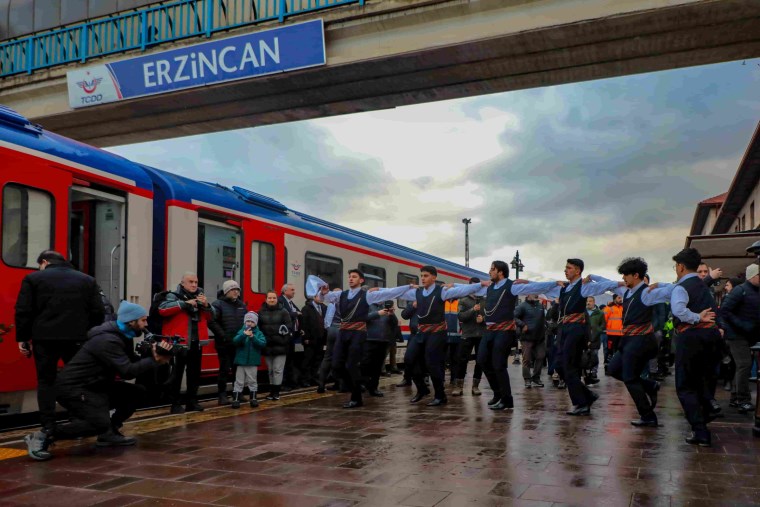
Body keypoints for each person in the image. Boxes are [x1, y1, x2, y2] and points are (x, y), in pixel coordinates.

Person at [23, 302, 172, 461]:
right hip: (74, 388)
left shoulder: (122, 336)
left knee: (137, 392)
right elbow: (127, 371)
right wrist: (155, 360)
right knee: (98, 424)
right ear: (131, 321)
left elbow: (130, 362)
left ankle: (109, 433)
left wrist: (151, 355)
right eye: (143, 320)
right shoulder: (107, 340)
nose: (146, 325)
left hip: (96, 385)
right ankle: (43, 435)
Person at [14, 250, 105, 435]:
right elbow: (98, 312)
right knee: (76, 380)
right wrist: (86, 333)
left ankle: (48, 425)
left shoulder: (33, 279)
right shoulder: (87, 280)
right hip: (77, 340)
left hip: (44, 339)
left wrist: (23, 339)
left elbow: (23, 311)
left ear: (44, 262)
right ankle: (77, 417)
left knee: (46, 381)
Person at [643, 248, 719, 446]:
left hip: (691, 336)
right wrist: (660, 285)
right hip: (710, 336)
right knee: (703, 377)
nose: (676, 269)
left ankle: (700, 430)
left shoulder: (681, 288)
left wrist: (695, 317)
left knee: (685, 385)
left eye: (676, 266)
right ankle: (710, 405)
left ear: (681, 267)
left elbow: (678, 309)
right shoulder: (702, 285)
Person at [513, 259, 607, 415]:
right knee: (558, 364)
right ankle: (587, 395)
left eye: (569, 268)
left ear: (578, 271)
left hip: (576, 329)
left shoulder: (583, 287)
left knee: (569, 365)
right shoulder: (564, 288)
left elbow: (604, 286)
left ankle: (582, 403)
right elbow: (544, 289)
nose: (566, 270)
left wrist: (598, 277)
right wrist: (528, 283)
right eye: (566, 268)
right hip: (564, 329)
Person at [315, 271, 416, 408]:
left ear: (361, 280)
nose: (351, 279)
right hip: (343, 331)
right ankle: (358, 385)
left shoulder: (367, 295)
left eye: (354, 277)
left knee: (352, 365)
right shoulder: (341, 295)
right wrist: (324, 292)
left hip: (358, 332)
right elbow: (323, 299)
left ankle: (356, 397)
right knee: (336, 365)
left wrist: (407, 287)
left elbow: (391, 293)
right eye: (349, 277)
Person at [394, 267, 489, 407]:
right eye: (422, 275)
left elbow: (462, 291)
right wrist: (381, 291)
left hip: (437, 333)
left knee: (433, 363)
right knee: (409, 359)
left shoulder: (442, 292)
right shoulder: (417, 292)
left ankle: (440, 395)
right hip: (421, 333)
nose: (423, 278)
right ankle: (422, 389)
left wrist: (480, 284)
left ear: (434, 277)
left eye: (426, 275)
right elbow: (397, 293)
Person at [588, 258, 661, 427]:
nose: (623, 278)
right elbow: (609, 283)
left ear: (636, 275)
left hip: (641, 340)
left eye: (626, 275)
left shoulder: (647, 292)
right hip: (628, 340)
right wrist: (592, 276)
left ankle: (648, 415)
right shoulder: (626, 291)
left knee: (629, 378)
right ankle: (650, 385)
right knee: (613, 369)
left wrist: (660, 285)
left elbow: (675, 291)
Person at [159, 272, 216, 414]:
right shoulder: (173, 295)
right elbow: (163, 309)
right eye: (191, 282)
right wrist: (184, 304)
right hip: (180, 343)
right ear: (182, 283)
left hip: (196, 342)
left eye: (196, 282)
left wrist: (207, 305)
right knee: (177, 374)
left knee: (194, 374)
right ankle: (175, 403)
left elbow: (212, 316)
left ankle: (192, 401)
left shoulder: (201, 297)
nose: (194, 285)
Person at [718, 266, 760, 414]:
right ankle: (743, 400)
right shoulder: (740, 290)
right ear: (752, 276)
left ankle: (736, 397)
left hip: (747, 335)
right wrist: (742, 325)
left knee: (740, 366)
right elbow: (725, 310)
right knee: (744, 365)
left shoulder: (754, 291)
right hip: (736, 335)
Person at [209, 280, 248, 406]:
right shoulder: (218, 304)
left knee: (238, 370)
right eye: (233, 289)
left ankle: (238, 393)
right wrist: (224, 336)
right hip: (224, 344)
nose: (236, 291)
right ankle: (222, 395)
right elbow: (212, 322)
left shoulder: (241, 305)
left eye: (237, 289)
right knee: (224, 370)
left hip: (238, 343)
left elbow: (246, 322)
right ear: (226, 291)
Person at [454, 278, 486, 396]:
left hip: (481, 335)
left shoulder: (484, 301)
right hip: (467, 334)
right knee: (462, 360)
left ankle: (475, 386)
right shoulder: (463, 300)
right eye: (472, 287)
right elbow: (461, 317)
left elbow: (490, 316)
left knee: (480, 360)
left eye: (477, 287)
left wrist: (483, 319)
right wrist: (473, 310)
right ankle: (458, 386)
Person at [259, 291, 293, 401]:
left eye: (274, 298)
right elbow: (258, 328)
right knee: (270, 370)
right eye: (269, 298)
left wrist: (284, 340)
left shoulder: (283, 312)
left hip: (280, 346)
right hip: (267, 346)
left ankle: (276, 392)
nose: (272, 300)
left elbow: (289, 327)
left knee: (278, 370)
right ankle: (271, 391)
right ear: (266, 299)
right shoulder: (261, 312)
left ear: (277, 299)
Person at [231, 312, 267, 409]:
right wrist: (243, 335)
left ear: (256, 323)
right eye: (248, 321)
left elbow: (262, 344)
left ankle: (253, 398)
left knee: (252, 380)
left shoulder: (259, 333)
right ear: (244, 322)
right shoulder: (241, 331)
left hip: (252, 362)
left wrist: (253, 337)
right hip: (241, 362)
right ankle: (236, 399)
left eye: (252, 321)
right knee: (239, 381)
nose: (249, 323)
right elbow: (235, 341)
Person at [364, 301, 396, 397]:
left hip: (383, 341)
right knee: (365, 364)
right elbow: (364, 317)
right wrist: (378, 313)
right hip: (369, 340)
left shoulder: (386, 308)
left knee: (377, 366)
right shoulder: (368, 305)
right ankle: (364, 383)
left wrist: (392, 315)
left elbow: (394, 324)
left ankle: (374, 388)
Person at [515, 294, 547, 388]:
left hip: (539, 337)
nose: (536, 294)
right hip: (527, 337)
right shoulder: (522, 306)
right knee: (527, 359)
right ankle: (527, 379)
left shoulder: (541, 306)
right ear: (528, 294)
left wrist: (545, 327)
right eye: (533, 292)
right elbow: (514, 317)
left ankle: (536, 377)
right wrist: (522, 324)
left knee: (541, 356)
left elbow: (543, 320)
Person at [279, 284, 304, 389]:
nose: (294, 292)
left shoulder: (290, 302)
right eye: (292, 290)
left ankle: (292, 382)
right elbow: (284, 315)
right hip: (286, 336)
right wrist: (295, 313)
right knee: (286, 360)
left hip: (294, 335)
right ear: (285, 291)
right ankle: (284, 383)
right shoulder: (281, 301)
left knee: (291, 360)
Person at [301, 293, 327, 387]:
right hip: (310, 339)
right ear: (314, 297)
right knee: (308, 360)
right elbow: (304, 324)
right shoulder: (307, 308)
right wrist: (305, 338)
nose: (321, 298)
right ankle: (305, 380)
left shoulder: (324, 308)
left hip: (320, 339)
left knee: (317, 360)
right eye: (319, 296)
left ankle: (314, 378)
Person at [317, 296, 340, 393]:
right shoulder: (347, 302)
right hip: (341, 329)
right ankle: (340, 383)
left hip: (332, 329)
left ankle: (321, 384)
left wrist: (329, 329)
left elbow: (327, 319)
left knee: (327, 357)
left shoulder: (332, 304)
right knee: (341, 357)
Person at [397, 301, 419, 388]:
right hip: (414, 334)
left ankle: (425, 378)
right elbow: (404, 315)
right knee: (408, 357)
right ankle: (407, 378)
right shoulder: (413, 302)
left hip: (426, 334)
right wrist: (413, 306)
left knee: (424, 357)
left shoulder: (430, 301)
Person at [584, 296, 605, 385]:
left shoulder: (599, 313)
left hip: (595, 338)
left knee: (594, 355)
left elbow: (603, 325)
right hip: (584, 338)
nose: (588, 303)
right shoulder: (583, 312)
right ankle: (586, 373)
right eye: (587, 301)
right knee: (585, 357)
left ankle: (594, 373)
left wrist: (597, 330)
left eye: (590, 301)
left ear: (594, 302)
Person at [603, 295, 623, 365]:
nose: (621, 299)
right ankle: (607, 366)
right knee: (609, 351)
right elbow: (604, 320)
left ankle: (617, 366)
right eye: (619, 298)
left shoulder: (623, 307)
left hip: (621, 334)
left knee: (620, 351)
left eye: (621, 298)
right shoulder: (609, 308)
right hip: (611, 334)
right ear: (614, 299)